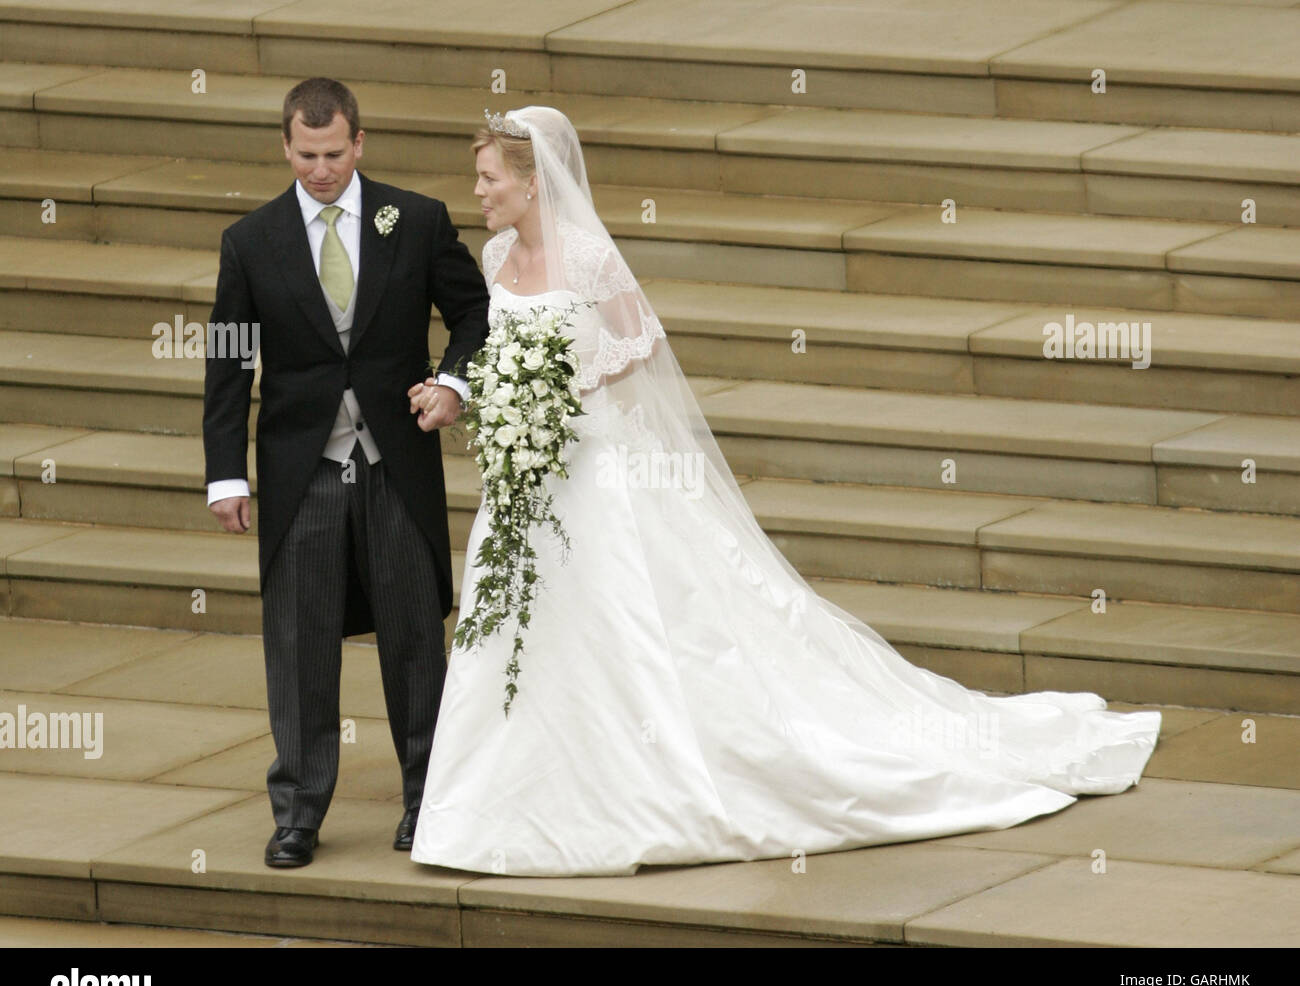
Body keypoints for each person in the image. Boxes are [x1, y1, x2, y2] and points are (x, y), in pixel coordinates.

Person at [407, 106, 1161, 877]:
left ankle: (635, 788)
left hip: (597, 467)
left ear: (534, 184)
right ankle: (510, 798)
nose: (479, 189)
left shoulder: (591, 255)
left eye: (489, 176)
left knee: (627, 624)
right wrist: (481, 392)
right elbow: (496, 344)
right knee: (515, 629)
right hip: (529, 482)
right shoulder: (497, 252)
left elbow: (639, 341)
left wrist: (562, 391)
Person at [203, 78, 489, 868]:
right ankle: (298, 811)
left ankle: (426, 799)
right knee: (297, 645)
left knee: (412, 638)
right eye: (306, 155)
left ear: (359, 144)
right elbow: (228, 364)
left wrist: (454, 382)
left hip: (395, 462)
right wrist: (225, 473)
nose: (321, 169)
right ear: (285, 147)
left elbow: (475, 311)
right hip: (304, 470)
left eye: (334, 154)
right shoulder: (251, 242)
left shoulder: (417, 220)